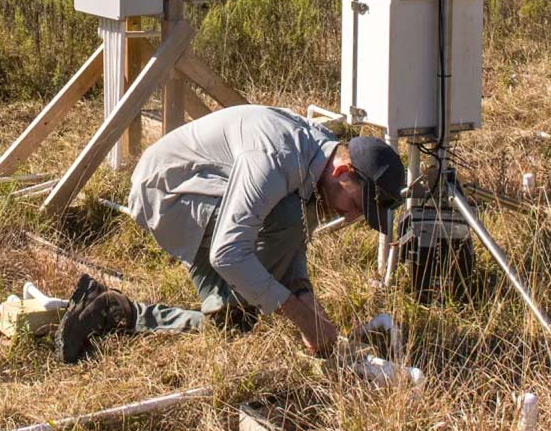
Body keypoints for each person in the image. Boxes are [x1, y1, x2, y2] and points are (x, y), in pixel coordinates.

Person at [57, 105, 406, 363]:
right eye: (356, 205)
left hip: (208, 191)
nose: (352, 217)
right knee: (247, 290)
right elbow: (227, 252)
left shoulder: (321, 158)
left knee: (231, 322)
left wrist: (303, 293)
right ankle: (231, 308)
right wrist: (296, 312)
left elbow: (296, 236)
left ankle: (118, 312)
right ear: (343, 170)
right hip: (167, 193)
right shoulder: (275, 158)